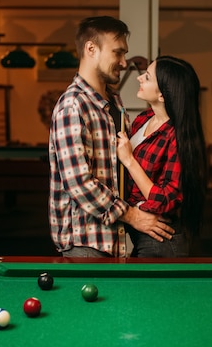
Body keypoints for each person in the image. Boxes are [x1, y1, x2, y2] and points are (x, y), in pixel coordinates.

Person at [48, 16, 174, 258]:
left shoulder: (114, 100)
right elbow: (79, 183)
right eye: (118, 53)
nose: (124, 62)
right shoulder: (72, 105)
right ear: (91, 49)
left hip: (115, 238)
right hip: (85, 242)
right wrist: (133, 216)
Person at [117, 56, 207, 257]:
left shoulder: (177, 136)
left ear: (163, 96)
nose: (140, 78)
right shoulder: (143, 119)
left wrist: (129, 160)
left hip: (163, 240)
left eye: (147, 77)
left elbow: (165, 200)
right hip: (140, 230)